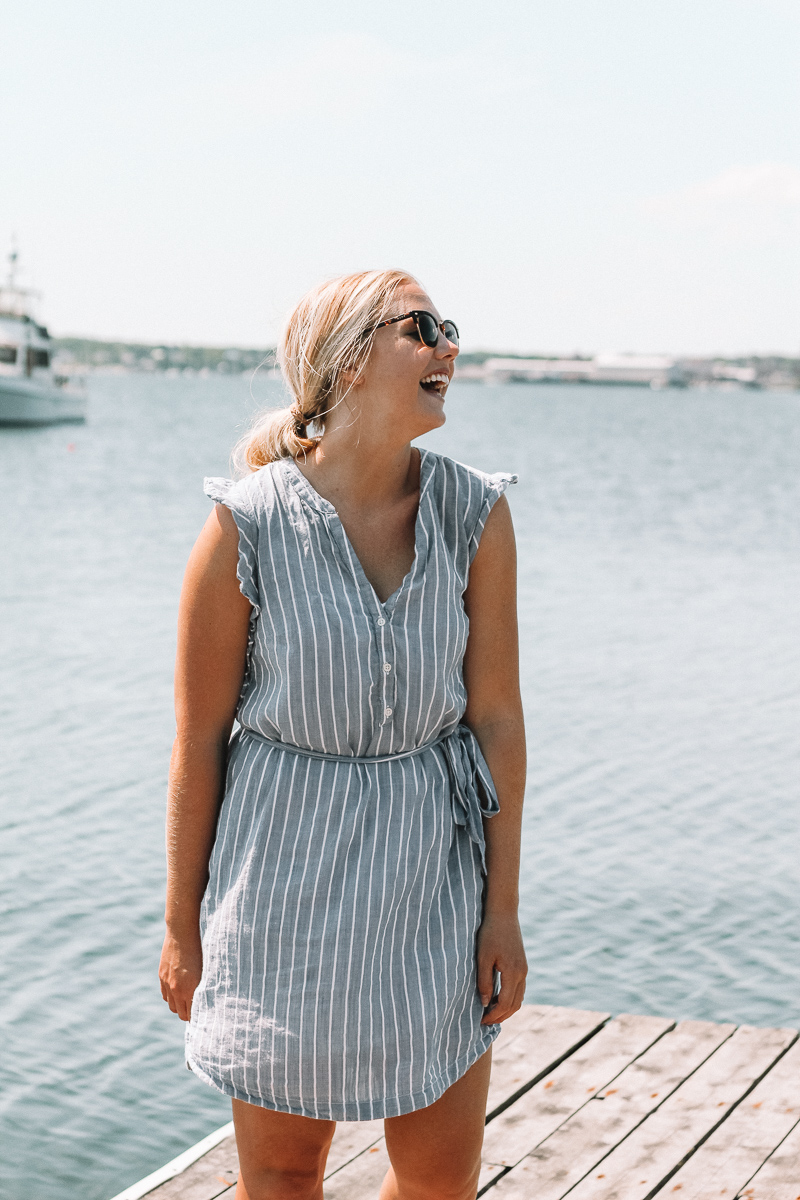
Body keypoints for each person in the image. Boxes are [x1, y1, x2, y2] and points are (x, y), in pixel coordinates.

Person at [158, 268, 528, 1200]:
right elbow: (199, 740)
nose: (449, 346)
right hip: (281, 889)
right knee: (283, 1177)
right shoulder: (244, 525)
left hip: (431, 885)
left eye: (449, 327)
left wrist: (503, 911)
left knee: (439, 1182)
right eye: (423, 329)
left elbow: (496, 720)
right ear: (351, 359)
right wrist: (180, 925)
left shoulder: (474, 513)